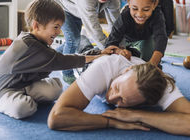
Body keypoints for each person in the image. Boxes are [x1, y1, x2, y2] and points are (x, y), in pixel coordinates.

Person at [0, 0, 97, 120]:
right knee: (23, 108)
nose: (59, 31)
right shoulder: (29, 45)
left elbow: (55, 58)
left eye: (60, 27)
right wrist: (94, 57)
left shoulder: (39, 43)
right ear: (37, 25)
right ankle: (20, 101)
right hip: (1, 91)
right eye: (56, 27)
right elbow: (61, 60)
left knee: (55, 89)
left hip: (24, 85)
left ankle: (25, 98)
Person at [47, 54, 190, 135]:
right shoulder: (103, 68)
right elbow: (56, 118)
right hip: (90, 58)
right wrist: (110, 122)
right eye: (116, 87)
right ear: (125, 71)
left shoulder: (162, 87)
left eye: (123, 100)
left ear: (146, 103)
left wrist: (139, 116)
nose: (111, 98)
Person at [49, 0, 121, 84]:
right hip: (60, 4)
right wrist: (107, 49)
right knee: (73, 39)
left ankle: (52, 57)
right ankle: (67, 73)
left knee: (73, 42)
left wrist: (120, 45)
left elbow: (116, 22)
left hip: (75, 8)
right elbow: (92, 27)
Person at [104, 0, 167, 67]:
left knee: (149, 59)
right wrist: (120, 51)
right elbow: (111, 42)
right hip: (126, 42)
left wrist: (152, 64)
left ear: (154, 4)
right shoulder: (124, 17)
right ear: (128, 3)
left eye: (146, 9)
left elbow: (161, 38)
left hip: (146, 40)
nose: (140, 14)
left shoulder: (157, 15)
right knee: (118, 61)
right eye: (135, 8)